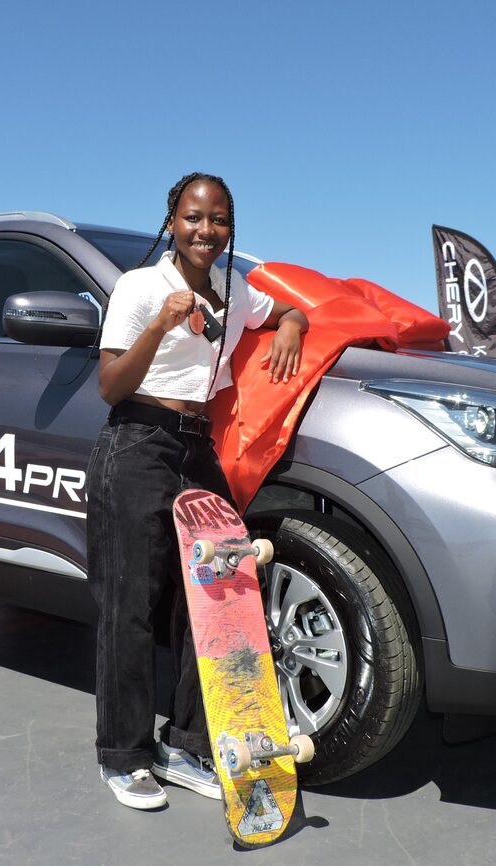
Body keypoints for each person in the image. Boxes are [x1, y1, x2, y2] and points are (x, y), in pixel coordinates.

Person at [86, 172, 309, 810]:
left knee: (210, 602)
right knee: (129, 603)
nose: (204, 231)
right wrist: (161, 323)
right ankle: (124, 756)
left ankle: (184, 744)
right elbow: (109, 386)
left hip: (197, 447)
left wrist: (291, 322)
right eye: (192, 218)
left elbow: (285, 308)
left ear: (230, 230)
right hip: (135, 443)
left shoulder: (236, 290)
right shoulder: (140, 286)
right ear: (172, 222)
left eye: (217, 221)